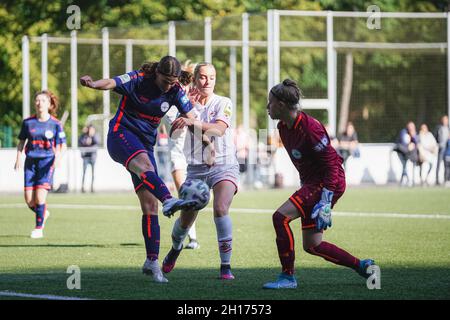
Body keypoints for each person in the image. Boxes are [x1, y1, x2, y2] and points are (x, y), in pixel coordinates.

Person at [79, 56, 201, 283]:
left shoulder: (175, 90)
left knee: (149, 205)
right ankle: (169, 199)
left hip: (145, 145)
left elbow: (193, 116)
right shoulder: (138, 78)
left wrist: (190, 122)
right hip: (121, 135)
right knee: (146, 169)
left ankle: (152, 262)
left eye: (172, 82)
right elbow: (112, 82)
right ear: (156, 74)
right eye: (165, 81)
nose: (168, 86)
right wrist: (94, 84)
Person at [263, 79, 375, 289]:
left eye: (270, 102)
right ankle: (363, 266)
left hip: (327, 182)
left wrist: (325, 200)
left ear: (282, 105)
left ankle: (288, 277)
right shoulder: (282, 127)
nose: (267, 106)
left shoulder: (310, 127)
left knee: (280, 217)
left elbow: (332, 165)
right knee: (313, 245)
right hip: (313, 182)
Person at [161, 62, 240, 280]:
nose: (207, 82)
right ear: (195, 79)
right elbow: (175, 134)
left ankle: (225, 267)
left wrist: (191, 121)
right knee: (186, 221)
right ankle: (176, 248)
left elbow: (219, 129)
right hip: (196, 168)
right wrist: (188, 115)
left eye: (212, 77)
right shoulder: (184, 105)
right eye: (203, 77)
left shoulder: (223, 102)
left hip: (224, 165)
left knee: (221, 208)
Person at [14, 90, 67, 239]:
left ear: (49, 104)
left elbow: (63, 145)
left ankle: (38, 228)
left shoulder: (56, 124)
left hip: (47, 163)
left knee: (39, 197)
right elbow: (21, 142)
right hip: (30, 162)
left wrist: (58, 158)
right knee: (29, 200)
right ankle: (43, 212)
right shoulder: (28, 122)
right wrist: (18, 157)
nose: (39, 103)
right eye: (37, 100)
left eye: (43, 101)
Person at [164, 60, 200, 250]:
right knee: (186, 197)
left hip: (194, 157)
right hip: (178, 157)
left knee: (196, 199)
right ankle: (191, 238)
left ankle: (190, 236)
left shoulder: (193, 103)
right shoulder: (169, 105)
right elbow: (176, 127)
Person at [394, 121, 419, 186]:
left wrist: (413, 136)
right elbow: (403, 142)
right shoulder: (403, 132)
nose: (411, 128)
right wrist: (408, 146)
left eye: (413, 127)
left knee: (406, 166)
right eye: (410, 126)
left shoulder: (414, 133)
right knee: (404, 166)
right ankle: (405, 180)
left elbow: (416, 142)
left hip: (409, 153)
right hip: (401, 152)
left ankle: (406, 180)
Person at [79, 124, 99, 193]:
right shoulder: (84, 136)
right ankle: (82, 187)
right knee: (84, 172)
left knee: (93, 173)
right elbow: (81, 142)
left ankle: (92, 187)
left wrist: (92, 136)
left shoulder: (95, 136)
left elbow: (97, 142)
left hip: (92, 157)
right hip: (85, 157)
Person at [435, 115, 449, 185]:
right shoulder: (439, 128)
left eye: (446, 120)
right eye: (444, 120)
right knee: (438, 164)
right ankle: (437, 180)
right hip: (441, 148)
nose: (445, 122)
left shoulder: (448, 128)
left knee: (447, 165)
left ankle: (446, 180)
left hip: (447, 149)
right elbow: (436, 137)